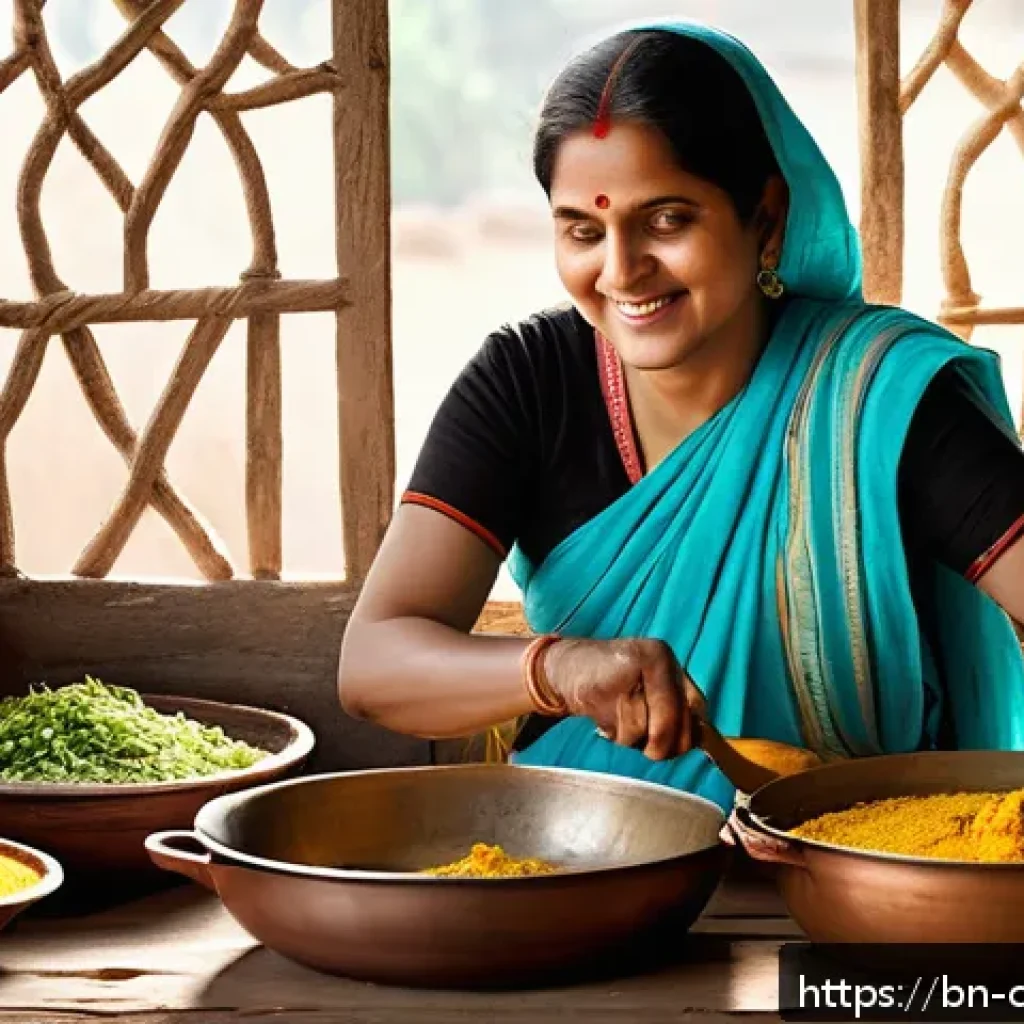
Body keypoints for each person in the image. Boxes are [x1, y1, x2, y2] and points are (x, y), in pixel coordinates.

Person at [337, 19, 1024, 812]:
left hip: (842, 881)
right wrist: (558, 670)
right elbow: (374, 668)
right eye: (584, 231)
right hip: (581, 867)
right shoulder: (527, 381)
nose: (622, 271)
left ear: (765, 216)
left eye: (667, 219)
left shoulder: (874, 399)